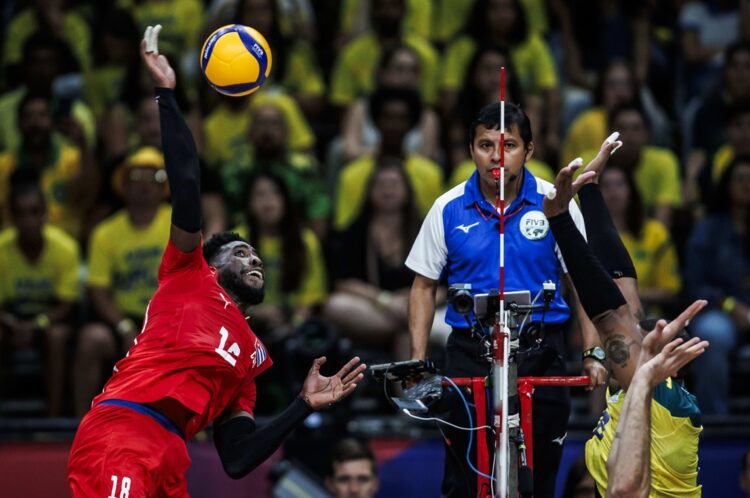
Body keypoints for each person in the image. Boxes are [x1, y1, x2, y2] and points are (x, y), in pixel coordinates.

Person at [67, 27, 365, 497]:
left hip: (170, 455)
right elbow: (186, 184)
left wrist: (302, 404)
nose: (255, 258)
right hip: (122, 431)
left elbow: (238, 458)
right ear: (211, 263)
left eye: (256, 253)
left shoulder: (250, 356)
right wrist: (167, 95)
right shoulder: (187, 275)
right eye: (240, 251)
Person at [406, 101, 607, 498]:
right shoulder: (446, 208)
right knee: (463, 483)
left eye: (509, 145)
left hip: (542, 351)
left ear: (529, 151)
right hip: (468, 352)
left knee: (540, 479)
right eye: (485, 145)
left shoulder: (557, 200)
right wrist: (417, 362)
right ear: (470, 149)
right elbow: (423, 287)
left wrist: (593, 351)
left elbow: (581, 280)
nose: (497, 157)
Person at [541, 138, 708, 497]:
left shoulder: (661, 400)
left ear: (673, 365)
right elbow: (622, 298)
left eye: (644, 343)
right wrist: (589, 193)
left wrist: (561, 221)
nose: (634, 337)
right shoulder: (648, 393)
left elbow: (613, 317)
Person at [72, 146, 171, 417]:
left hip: (168, 318)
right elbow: (98, 289)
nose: (144, 186)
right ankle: (84, 423)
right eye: (136, 178)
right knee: (91, 339)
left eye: (154, 178)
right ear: (123, 186)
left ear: (164, 187)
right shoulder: (105, 232)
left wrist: (156, 325)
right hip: (123, 320)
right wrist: (122, 325)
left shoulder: (177, 224)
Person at [0, 170, 80, 417]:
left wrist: (36, 324)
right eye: (21, 213)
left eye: (35, 212)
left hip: (49, 319)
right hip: (9, 319)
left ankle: (52, 419)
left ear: (45, 214)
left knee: (57, 337)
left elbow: (67, 306)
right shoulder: (1, 248)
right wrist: (12, 324)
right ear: (11, 217)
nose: (29, 220)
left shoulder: (65, 248)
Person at [325, 161, 422, 360]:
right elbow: (344, 282)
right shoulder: (356, 231)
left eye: (394, 184)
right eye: (381, 184)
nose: (388, 190)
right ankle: (406, 325)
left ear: (407, 191)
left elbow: (445, 286)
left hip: (419, 306)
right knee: (335, 305)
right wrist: (385, 300)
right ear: (370, 191)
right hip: (375, 307)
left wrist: (415, 301)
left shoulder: (424, 228)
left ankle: (407, 326)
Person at [685, 156, 750, 416]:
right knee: (711, 336)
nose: (747, 185)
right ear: (727, 186)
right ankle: (715, 421)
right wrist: (730, 305)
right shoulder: (708, 229)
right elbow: (695, 284)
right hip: (720, 312)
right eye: (741, 179)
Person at [598, 164, 681, 315]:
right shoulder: (584, 233)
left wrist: (629, 295)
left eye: (619, 184)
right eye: (606, 185)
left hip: (647, 314)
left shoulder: (655, 233)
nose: (613, 191)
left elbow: (670, 289)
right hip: (599, 313)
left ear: (631, 190)